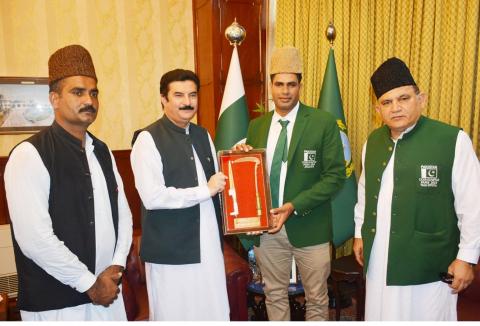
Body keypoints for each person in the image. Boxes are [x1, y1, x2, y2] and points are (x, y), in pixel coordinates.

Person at [4, 44, 133, 321]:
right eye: (78, 92)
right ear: (54, 98)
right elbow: (34, 239)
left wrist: (116, 266)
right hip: (56, 305)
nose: (89, 100)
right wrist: (88, 283)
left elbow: (123, 214)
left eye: (94, 93)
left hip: (107, 294)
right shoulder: (29, 155)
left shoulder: (102, 150)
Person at [353, 57, 480, 320]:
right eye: (387, 102)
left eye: (404, 98)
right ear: (377, 109)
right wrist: (358, 233)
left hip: (429, 265)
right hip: (378, 259)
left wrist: (466, 258)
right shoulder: (372, 142)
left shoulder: (452, 140)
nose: (395, 108)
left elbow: (473, 203)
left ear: (421, 99)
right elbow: (365, 194)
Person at [236, 46, 345, 320]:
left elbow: (335, 176)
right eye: (279, 84)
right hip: (268, 228)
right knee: (274, 295)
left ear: (300, 85)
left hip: (310, 226)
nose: (285, 91)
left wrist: (293, 206)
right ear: (271, 86)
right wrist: (241, 162)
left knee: (317, 299)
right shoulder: (256, 126)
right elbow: (252, 174)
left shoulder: (322, 122)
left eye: (292, 85)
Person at [130, 69, 230, 321]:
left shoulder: (202, 134)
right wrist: (204, 190)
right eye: (178, 95)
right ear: (163, 98)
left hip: (207, 244)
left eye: (192, 95)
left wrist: (238, 160)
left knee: (212, 310)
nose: (187, 102)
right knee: (174, 313)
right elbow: (153, 197)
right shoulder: (147, 139)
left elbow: (219, 182)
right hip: (171, 251)